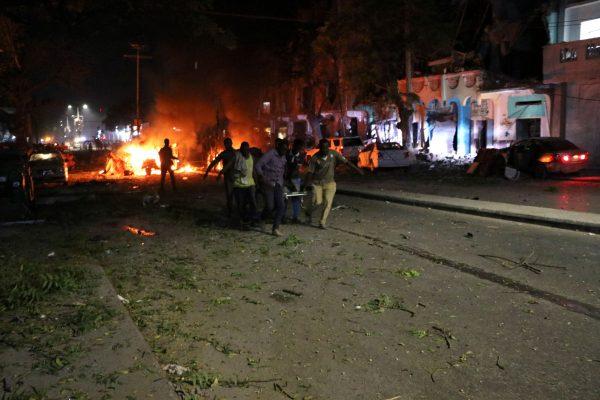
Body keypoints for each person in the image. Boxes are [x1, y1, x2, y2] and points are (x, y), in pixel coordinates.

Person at [305, 138, 363, 229]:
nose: (325, 150)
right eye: (323, 148)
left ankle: (322, 222)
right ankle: (309, 212)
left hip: (330, 183)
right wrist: (305, 184)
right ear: (319, 148)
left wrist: (357, 169)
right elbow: (310, 172)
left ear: (329, 147)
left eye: (327, 148)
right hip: (317, 184)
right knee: (317, 202)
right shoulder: (315, 158)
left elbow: (346, 162)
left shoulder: (333, 154)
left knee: (328, 203)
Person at [220, 141, 258, 229]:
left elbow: (253, 171)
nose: (245, 152)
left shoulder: (251, 158)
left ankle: (254, 220)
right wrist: (222, 172)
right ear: (241, 150)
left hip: (250, 184)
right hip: (239, 185)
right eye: (244, 150)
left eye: (247, 150)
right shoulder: (237, 156)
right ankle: (243, 220)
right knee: (241, 204)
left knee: (253, 201)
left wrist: (256, 183)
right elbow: (229, 165)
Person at [254, 138, 288, 236]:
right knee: (270, 206)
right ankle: (262, 219)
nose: (284, 151)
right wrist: (261, 177)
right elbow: (258, 165)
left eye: (286, 150)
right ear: (278, 147)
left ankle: (275, 228)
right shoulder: (270, 154)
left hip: (278, 184)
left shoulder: (283, 156)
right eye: (283, 149)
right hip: (267, 183)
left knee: (281, 205)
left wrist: (283, 183)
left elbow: (281, 170)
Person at [204, 138, 236, 216]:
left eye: (228, 143)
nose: (227, 145)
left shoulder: (236, 153)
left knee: (234, 194)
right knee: (230, 194)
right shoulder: (226, 153)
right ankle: (231, 211)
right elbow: (214, 162)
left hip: (235, 176)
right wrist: (207, 172)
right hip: (229, 176)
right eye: (226, 143)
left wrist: (207, 172)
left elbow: (214, 162)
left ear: (231, 143)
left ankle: (233, 211)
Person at [284, 138, 306, 223]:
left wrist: (292, 182)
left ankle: (295, 217)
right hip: (285, 178)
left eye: (300, 148)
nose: (298, 149)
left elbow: (297, 169)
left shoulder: (301, 155)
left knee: (296, 198)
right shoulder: (286, 154)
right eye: (297, 147)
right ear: (293, 145)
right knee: (284, 197)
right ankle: (282, 216)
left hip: (295, 179)